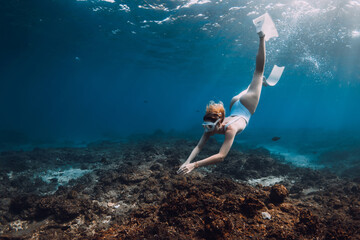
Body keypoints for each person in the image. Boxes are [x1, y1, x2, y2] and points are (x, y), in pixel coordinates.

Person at [177, 13, 284, 175]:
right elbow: (199, 146)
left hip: (245, 105)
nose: (207, 130)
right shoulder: (211, 127)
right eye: (205, 126)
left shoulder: (230, 129)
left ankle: (262, 37)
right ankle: (260, 83)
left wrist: (194, 165)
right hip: (236, 104)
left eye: (209, 127)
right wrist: (186, 162)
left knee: (257, 72)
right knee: (255, 81)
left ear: (219, 123)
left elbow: (221, 156)